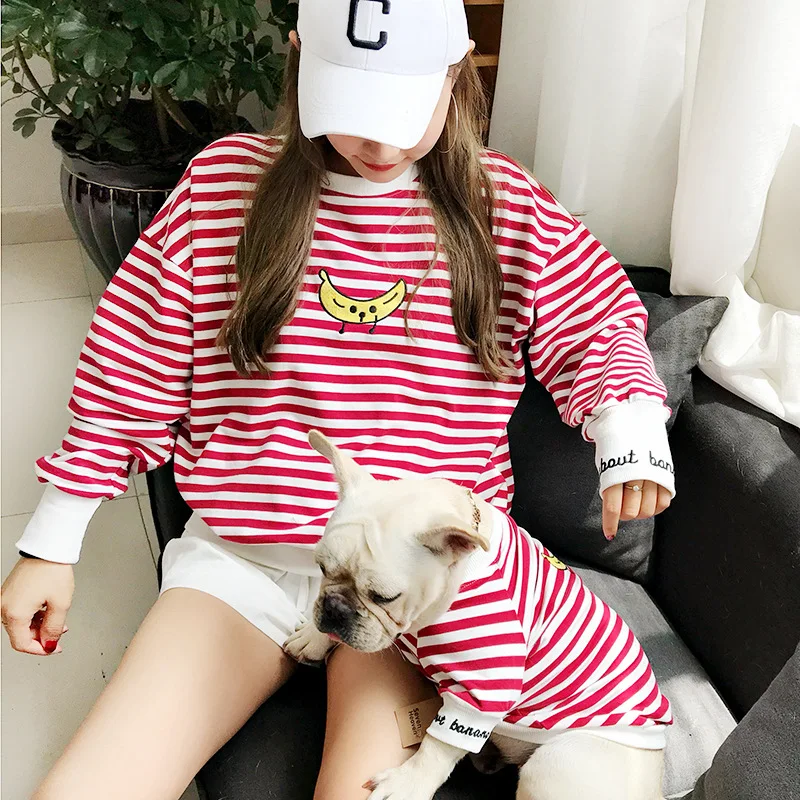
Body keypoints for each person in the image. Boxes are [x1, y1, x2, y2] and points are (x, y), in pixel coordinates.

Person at [1, 1, 675, 798]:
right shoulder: (224, 186)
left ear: (456, 71)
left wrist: (627, 419)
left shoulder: (505, 204)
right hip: (242, 560)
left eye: (402, 112)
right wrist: (53, 537)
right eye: (353, 108)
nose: (378, 145)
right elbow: (129, 363)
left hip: (419, 594)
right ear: (300, 57)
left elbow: (597, 318)